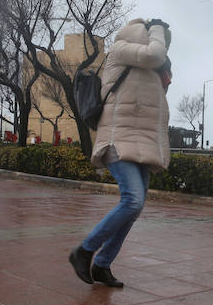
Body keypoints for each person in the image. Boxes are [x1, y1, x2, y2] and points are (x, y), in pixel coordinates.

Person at [69, 17, 172, 288]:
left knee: (133, 209)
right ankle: (85, 250)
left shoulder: (150, 68)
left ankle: (102, 265)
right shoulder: (121, 49)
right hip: (117, 139)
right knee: (133, 200)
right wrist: (158, 30)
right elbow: (154, 52)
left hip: (143, 143)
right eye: (155, 35)